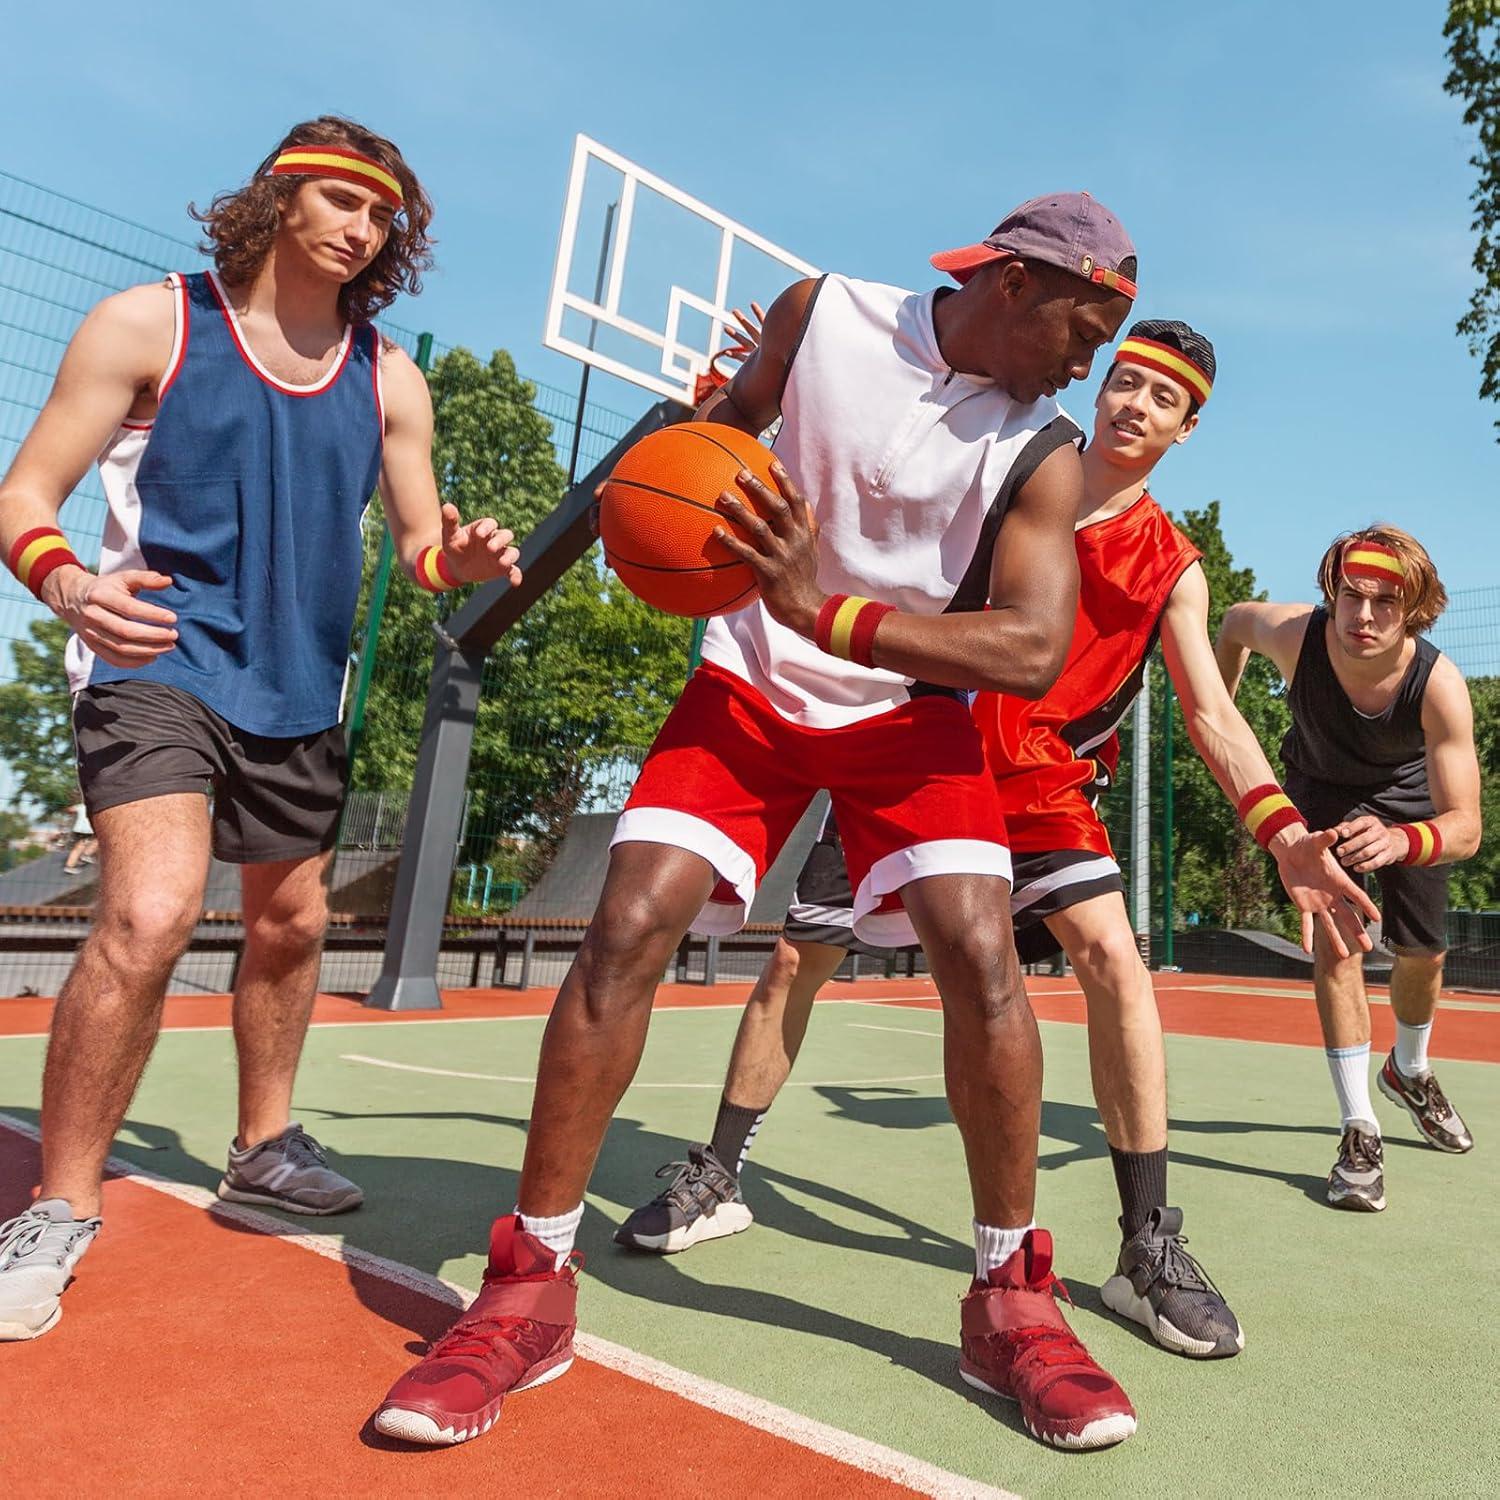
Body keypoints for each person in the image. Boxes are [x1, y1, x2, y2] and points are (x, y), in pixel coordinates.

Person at [376, 193, 1148, 1452]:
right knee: (626, 924)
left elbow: (1028, 644)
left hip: (908, 701)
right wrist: (688, 455)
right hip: (745, 681)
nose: (1095, 355)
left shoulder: (1041, 449)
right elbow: (703, 451)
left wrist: (826, 609)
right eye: (1090, 317)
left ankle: (1010, 1298)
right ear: (1014, 283)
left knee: (983, 954)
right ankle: (529, 1283)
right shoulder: (822, 317)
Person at [614, 320, 1378, 1364]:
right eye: (1126, 381)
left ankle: (1145, 1247)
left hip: (1037, 773)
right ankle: (720, 1171)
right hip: (914, 743)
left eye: (1163, 397)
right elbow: (875, 465)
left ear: (1188, 430)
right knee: (801, 953)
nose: (1133, 403)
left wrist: (1283, 830)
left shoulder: (1172, 565)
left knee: (1117, 962)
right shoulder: (1014, 450)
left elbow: (1211, 712)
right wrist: (768, 396)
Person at [0, 116, 522, 1343]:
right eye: (340, 199)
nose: (361, 226)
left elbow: (416, 549)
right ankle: (59, 1207)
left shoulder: (390, 376)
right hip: (156, 660)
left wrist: (465, 557)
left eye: (383, 214)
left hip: (301, 688)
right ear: (277, 199)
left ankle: (261, 1145)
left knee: (289, 924)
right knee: (151, 911)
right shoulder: (152, 325)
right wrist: (72, 584)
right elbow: (24, 495)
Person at [1216, 527, 1481, 1210]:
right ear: (1331, 594)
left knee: (1422, 956)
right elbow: (1231, 622)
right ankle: (1359, 1128)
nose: (1363, 617)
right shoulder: (1295, 636)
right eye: (1350, 597)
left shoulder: (1439, 685)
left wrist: (1400, 840)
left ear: (1415, 606)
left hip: (1410, 811)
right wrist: (1217, 713)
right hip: (1318, 791)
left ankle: (1410, 1069)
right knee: (1339, 944)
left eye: (1385, 601)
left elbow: (1467, 827)